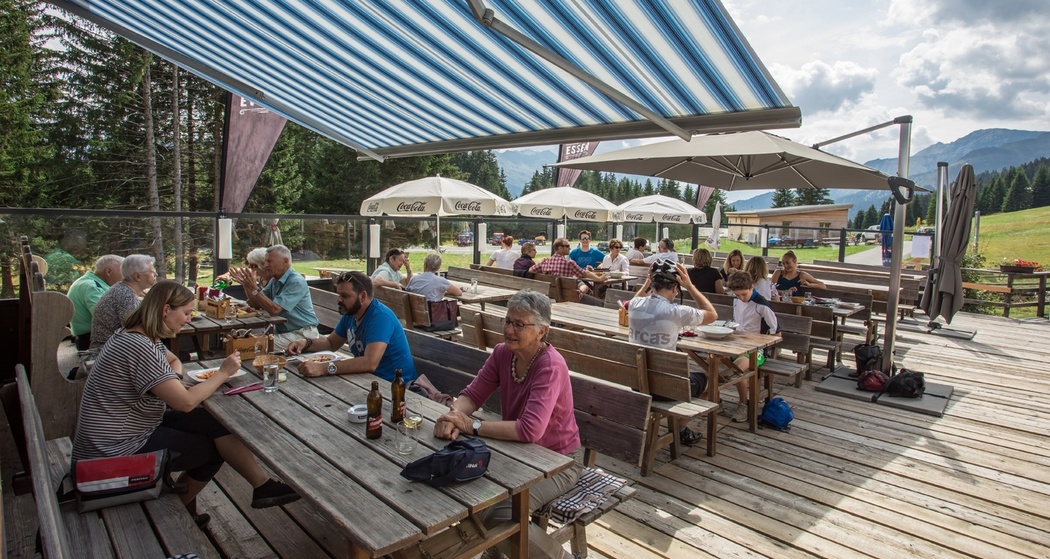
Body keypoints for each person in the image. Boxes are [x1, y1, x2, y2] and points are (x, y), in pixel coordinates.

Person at [72, 281, 300, 527]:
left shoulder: (138, 335)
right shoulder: (138, 346)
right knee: (212, 450)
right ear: (166, 310)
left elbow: (172, 362)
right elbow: (186, 403)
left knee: (214, 423)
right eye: (186, 312)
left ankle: (263, 486)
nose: (189, 319)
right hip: (112, 452)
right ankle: (176, 516)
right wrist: (223, 373)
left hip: (124, 432)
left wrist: (172, 381)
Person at [434, 290, 581, 559]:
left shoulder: (550, 365)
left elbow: (529, 429)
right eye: (508, 321)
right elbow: (473, 394)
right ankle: (498, 551)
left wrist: (471, 426)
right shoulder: (503, 353)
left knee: (501, 514)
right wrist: (453, 416)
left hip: (558, 462)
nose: (509, 330)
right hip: (518, 453)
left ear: (541, 331)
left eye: (519, 324)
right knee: (463, 486)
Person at [627, 261, 716, 445]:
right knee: (708, 380)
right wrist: (690, 286)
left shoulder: (635, 305)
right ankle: (681, 429)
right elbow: (712, 314)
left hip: (636, 384)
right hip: (668, 389)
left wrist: (647, 282)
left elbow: (634, 301)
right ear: (675, 288)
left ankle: (678, 428)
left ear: (652, 284)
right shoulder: (676, 311)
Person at [236, 245, 319, 352]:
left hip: (303, 334)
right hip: (284, 332)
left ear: (285, 261)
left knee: (251, 347)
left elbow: (275, 310)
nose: (265, 265)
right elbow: (256, 304)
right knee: (240, 340)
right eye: (265, 261)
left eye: (269, 261)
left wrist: (254, 287)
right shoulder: (275, 280)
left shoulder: (296, 281)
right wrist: (246, 284)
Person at [726, 271, 779, 423]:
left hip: (756, 350)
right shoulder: (736, 300)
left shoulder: (761, 304)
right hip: (736, 344)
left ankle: (744, 403)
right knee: (713, 361)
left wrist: (761, 341)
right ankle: (715, 398)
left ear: (752, 287)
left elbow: (776, 331)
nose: (741, 298)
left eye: (744, 294)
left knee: (737, 369)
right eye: (737, 295)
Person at [90, 254, 158, 351]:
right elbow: (136, 332)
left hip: (114, 347)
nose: (156, 275)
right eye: (152, 273)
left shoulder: (123, 289)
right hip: (109, 352)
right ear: (137, 276)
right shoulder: (125, 295)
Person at [68, 254, 124, 350]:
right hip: (90, 341)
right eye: (123, 271)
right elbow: (106, 318)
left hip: (87, 337)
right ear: (109, 271)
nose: (126, 276)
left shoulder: (91, 282)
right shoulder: (92, 287)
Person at [529, 238, 604, 305]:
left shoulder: (545, 261)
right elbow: (585, 274)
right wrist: (600, 279)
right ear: (560, 248)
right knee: (601, 303)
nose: (570, 248)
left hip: (552, 297)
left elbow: (531, 270)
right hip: (572, 298)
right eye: (567, 246)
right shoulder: (569, 263)